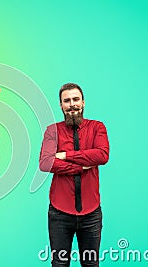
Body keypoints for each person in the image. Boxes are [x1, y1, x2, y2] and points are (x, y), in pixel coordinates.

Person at [39, 83, 109, 267]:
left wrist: (66, 155)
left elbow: (102, 155)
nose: (72, 104)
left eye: (76, 99)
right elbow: (45, 163)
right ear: (61, 105)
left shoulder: (97, 127)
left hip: (91, 214)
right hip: (59, 213)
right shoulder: (51, 131)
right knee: (59, 264)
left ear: (83, 102)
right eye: (67, 100)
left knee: (91, 265)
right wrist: (81, 167)